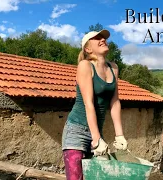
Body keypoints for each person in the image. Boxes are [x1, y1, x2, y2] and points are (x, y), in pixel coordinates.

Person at [61, 29, 128, 180]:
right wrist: (97, 140)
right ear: (87, 48)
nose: (102, 39)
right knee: (76, 177)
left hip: (97, 130)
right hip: (76, 131)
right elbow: (88, 104)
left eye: (103, 37)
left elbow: (115, 102)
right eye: (97, 38)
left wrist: (120, 135)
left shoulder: (114, 68)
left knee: (96, 177)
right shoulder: (85, 65)